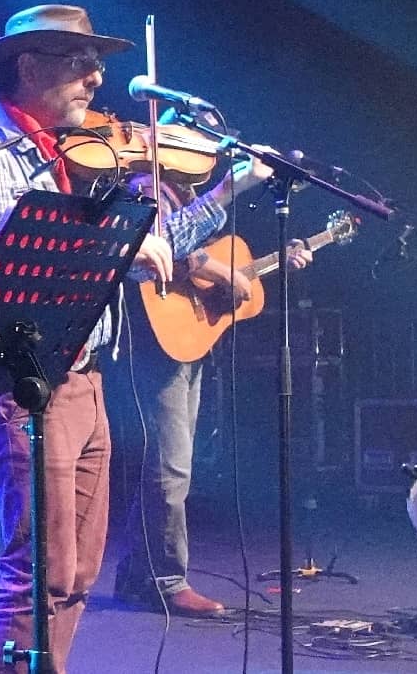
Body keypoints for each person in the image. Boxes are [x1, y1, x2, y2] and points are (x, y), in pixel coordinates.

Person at [0, 5, 270, 673]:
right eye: (78, 61)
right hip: (24, 385)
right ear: (28, 67)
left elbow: (153, 248)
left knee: (79, 569)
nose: (95, 77)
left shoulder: (81, 159)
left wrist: (228, 190)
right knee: (40, 566)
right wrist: (111, 246)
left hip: (84, 380)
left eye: (97, 63)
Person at [113, 172, 311, 618]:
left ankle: (134, 575)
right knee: (170, 467)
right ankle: (166, 581)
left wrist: (274, 261)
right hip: (154, 341)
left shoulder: (184, 192)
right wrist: (219, 270)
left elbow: (215, 267)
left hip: (187, 341)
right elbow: (160, 245)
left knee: (168, 467)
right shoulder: (147, 184)